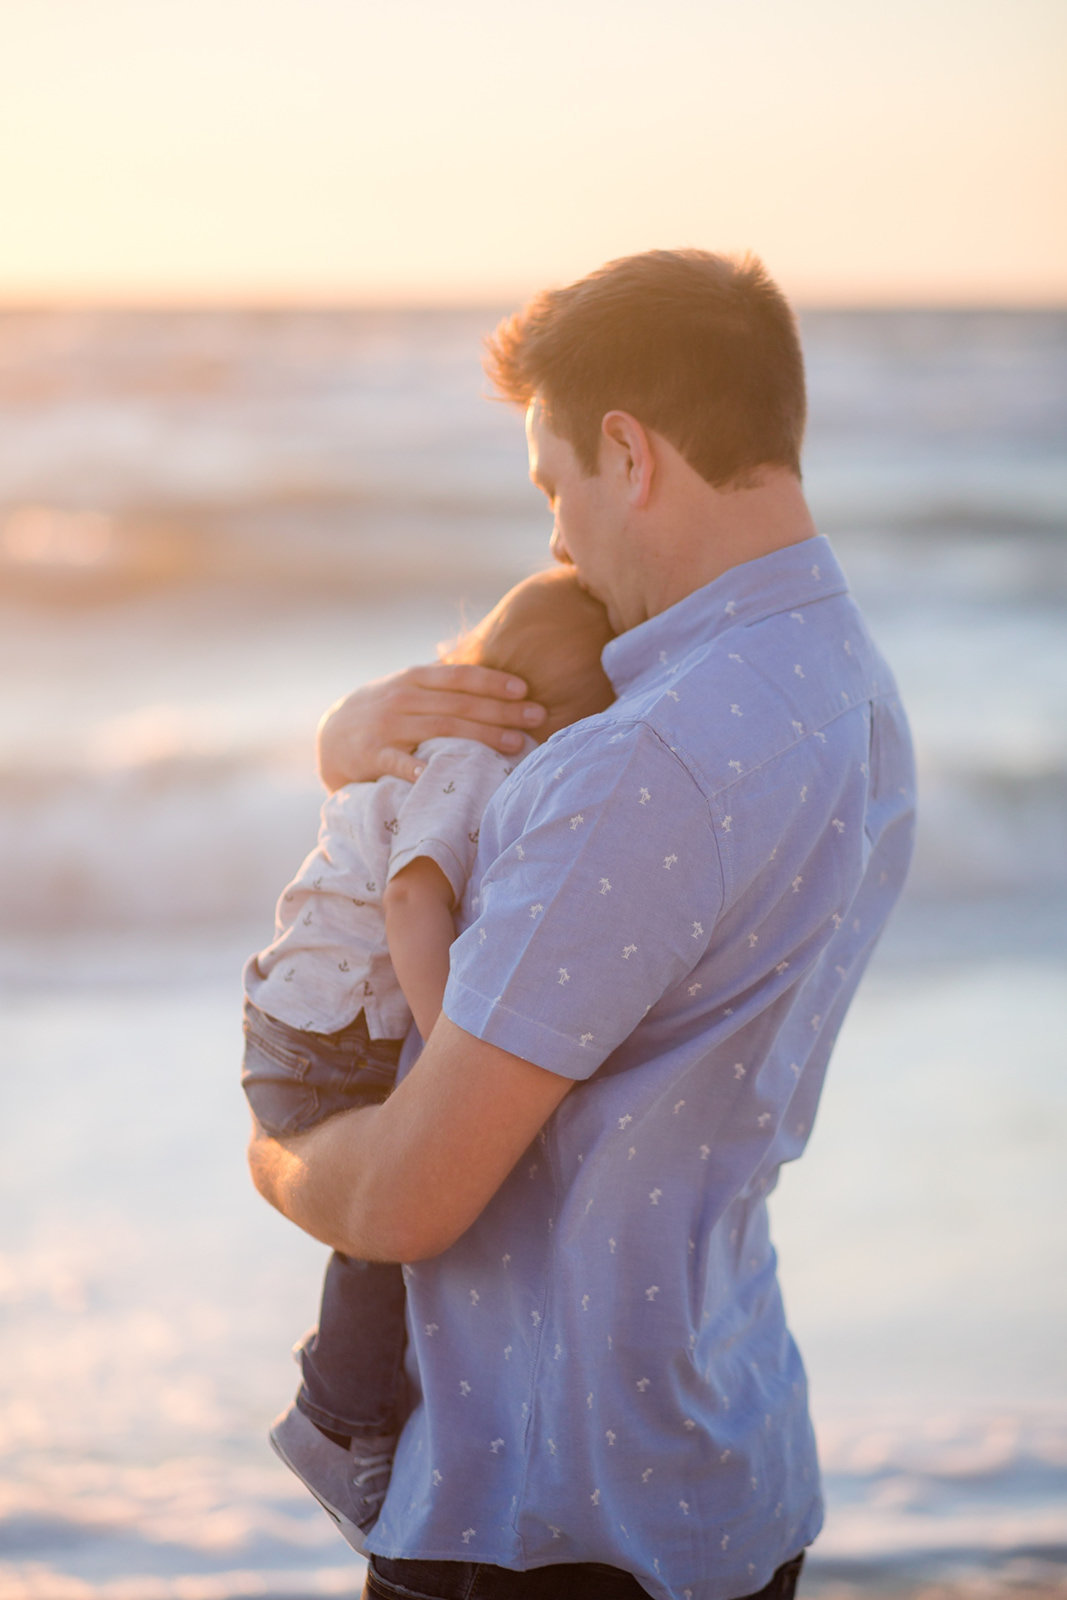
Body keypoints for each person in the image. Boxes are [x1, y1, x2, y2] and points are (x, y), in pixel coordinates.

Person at [248, 248, 916, 1600]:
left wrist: (274, 1149)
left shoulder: (642, 765)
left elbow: (405, 1198)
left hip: (545, 1512)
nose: (555, 541)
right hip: (716, 1460)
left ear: (628, 452)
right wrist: (350, 747)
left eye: (555, 486)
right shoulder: (849, 687)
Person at [242, 567, 615, 1547]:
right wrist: (452, 1045)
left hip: (311, 1016)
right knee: (396, 1202)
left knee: (392, 1212)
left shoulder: (451, 756)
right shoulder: (470, 767)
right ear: (542, 721)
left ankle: (351, 1402)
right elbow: (412, 898)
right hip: (320, 1038)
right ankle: (339, 1418)